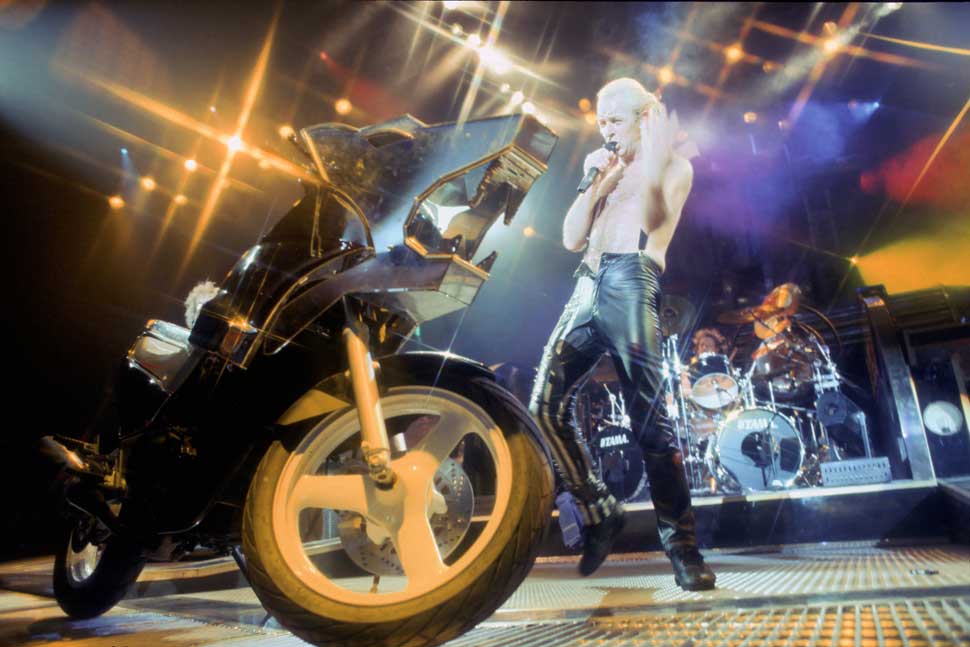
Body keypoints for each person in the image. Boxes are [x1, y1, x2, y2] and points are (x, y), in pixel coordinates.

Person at [529, 78, 715, 590]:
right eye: (601, 122)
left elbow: (656, 220)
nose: (606, 130)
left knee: (652, 423)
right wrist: (599, 185)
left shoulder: (675, 166)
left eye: (615, 120)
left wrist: (650, 162)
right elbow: (570, 238)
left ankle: (683, 548)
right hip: (585, 284)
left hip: (634, 279)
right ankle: (598, 507)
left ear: (644, 116)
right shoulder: (598, 163)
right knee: (543, 407)